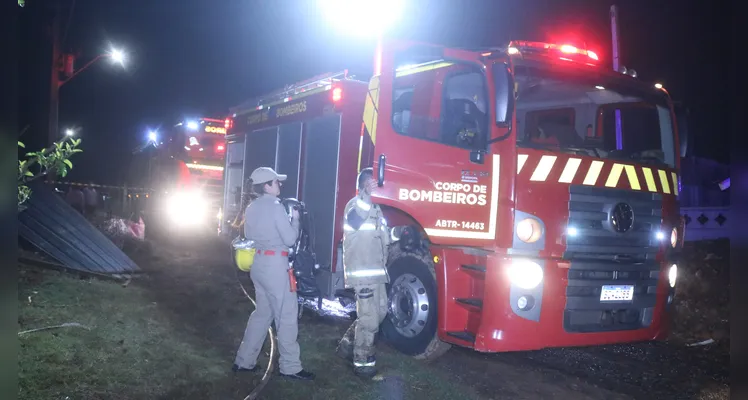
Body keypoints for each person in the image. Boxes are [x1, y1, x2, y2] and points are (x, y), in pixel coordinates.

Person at [232, 167, 315, 381]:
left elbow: (249, 234)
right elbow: (289, 239)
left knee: (262, 314)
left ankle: (244, 361)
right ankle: (291, 368)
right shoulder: (276, 206)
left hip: (258, 264)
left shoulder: (251, 207)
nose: (280, 185)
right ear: (267, 185)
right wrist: (295, 220)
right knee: (286, 316)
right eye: (276, 182)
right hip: (275, 266)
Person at [335, 167, 391, 378]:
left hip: (377, 274)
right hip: (362, 274)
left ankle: (348, 344)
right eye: (374, 183)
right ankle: (363, 363)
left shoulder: (376, 209)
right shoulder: (356, 205)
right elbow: (357, 220)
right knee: (369, 320)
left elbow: (382, 237)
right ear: (365, 185)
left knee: (380, 313)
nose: (378, 186)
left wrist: (399, 234)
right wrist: (366, 194)